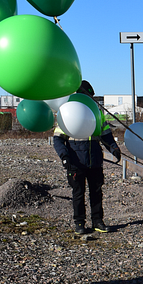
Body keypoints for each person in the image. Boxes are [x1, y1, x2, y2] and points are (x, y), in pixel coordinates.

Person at [53, 80, 122, 235]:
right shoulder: (68, 111)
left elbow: (105, 134)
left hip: (94, 158)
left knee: (96, 192)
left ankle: (98, 221)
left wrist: (114, 148)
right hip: (75, 160)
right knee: (78, 193)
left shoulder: (96, 111)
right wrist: (64, 157)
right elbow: (58, 139)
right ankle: (79, 223)